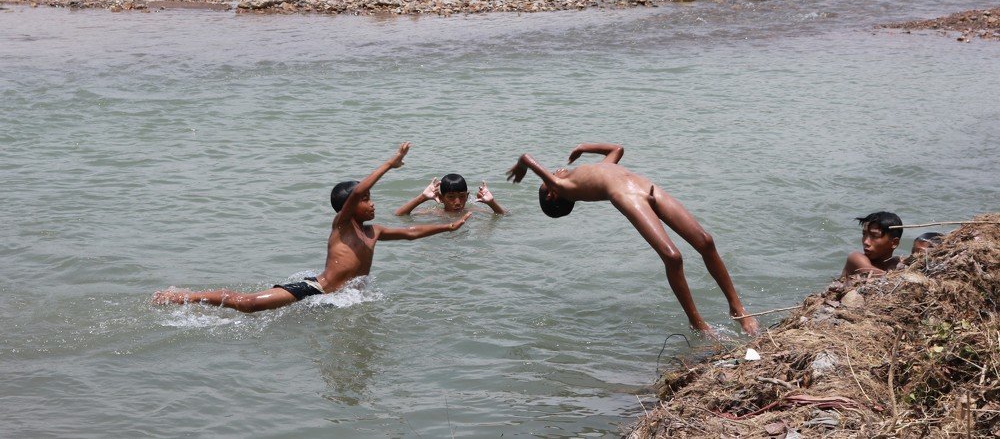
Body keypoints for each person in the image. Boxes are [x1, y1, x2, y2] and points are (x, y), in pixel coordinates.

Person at [153, 143, 470, 313]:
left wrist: (449, 228)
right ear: (349, 208)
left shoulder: (375, 232)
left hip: (341, 297)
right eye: (367, 201)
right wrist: (389, 164)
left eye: (371, 200)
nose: (372, 204)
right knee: (249, 305)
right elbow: (358, 191)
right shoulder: (342, 226)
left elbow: (412, 233)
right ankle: (185, 297)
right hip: (317, 289)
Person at [506, 143, 759, 335]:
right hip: (629, 198)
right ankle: (697, 323)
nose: (554, 171)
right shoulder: (565, 188)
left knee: (705, 241)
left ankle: (738, 308)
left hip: (647, 188)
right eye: (549, 178)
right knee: (673, 257)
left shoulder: (588, 171)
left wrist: (585, 147)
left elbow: (617, 148)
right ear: (552, 194)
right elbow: (527, 158)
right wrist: (521, 165)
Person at [396, 173, 506, 216]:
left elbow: (504, 215)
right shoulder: (434, 213)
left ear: (467, 196)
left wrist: (492, 203)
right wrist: (422, 198)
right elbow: (399, 215)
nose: (457, 202)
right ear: (441, 198)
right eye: (451, 197)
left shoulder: (472, 212)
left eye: (462, 196)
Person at [840, 211, 903, 278]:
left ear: (894, 243)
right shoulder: (855, 259)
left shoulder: (895, 263)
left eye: (874, 236)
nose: (866, 242)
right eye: (864, 234)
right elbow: (881, 276)